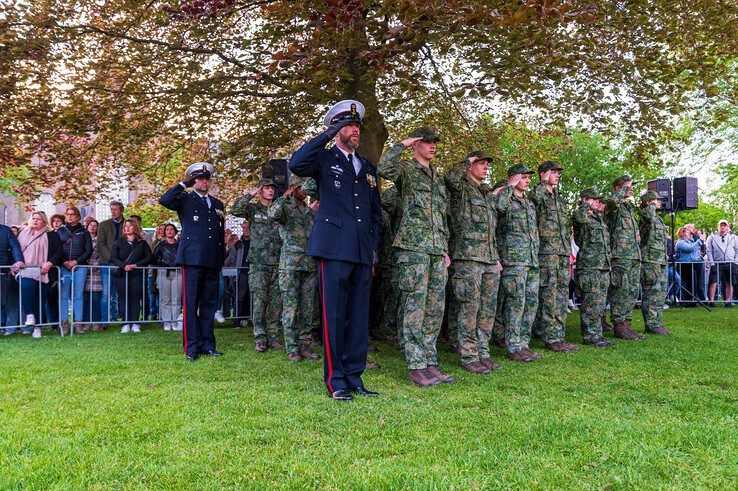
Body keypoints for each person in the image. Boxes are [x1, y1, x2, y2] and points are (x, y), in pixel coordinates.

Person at [289, 99, 382, 401]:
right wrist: (329, 134)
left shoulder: (367, 167)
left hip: (360, 251)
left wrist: (373, 249)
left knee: (358, 318)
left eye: (356, 126)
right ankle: (336, 380)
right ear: (337, 128)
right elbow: (296, 163)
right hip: (333, 249)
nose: (355, 131)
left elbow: (375, 214)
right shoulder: (325, 159)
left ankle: (355, 377)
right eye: (349, 126)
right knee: (334, 315)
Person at [378, 126, 454, 387]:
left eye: (435, 142)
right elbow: (383, 168)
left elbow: (440, 216)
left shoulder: (437, 176)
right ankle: (415, 364)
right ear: (416, 145)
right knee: (414, 308)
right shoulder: (406, 171)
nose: (433, 145)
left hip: (435, 249)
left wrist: (444, 249)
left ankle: (430, 362)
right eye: (427, 141)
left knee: (434, 309)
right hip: (412, 249)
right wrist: (402, 143)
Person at [444, 151, 502, 375]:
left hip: (488, 257)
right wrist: (467, 160)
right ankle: (468, 354)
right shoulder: (461, 188)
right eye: (481, 163)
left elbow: (491, 229)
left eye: (488, 164)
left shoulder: (486, 192)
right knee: (469, 307)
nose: (486, 167)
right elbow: (450, 178)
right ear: (469, 166)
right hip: (468, 256)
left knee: (487, 309)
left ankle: (483, 352)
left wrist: (495, 256)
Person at [159, 162, 225, 360]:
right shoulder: (185, 199)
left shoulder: (217, 203)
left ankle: (208, 345)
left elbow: (219, 234)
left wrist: (220, 258)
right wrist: (183, 184)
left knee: (209, 305)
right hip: (192, 258)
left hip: (212, 259)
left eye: (206, 179)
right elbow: (164, 200)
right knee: (190, 304)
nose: (204, 182)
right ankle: (191, 348)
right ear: (193, 180)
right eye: (199, 178)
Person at [268, 175, 321, 362]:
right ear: (293, 188)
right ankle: (292, 347)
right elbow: (272, 214)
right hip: (290, 265)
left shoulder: (309, 210)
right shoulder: (285, 207)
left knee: (308, 308)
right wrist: (284, 197)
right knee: (291, 307)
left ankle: (305, 344)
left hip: (309, 264)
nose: (305, 192)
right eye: (301, 189)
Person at [494, 164, 542, 362]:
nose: (528, 180)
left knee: (530, 303)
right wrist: (509, 187)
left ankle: (523, 343)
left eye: (529, 177)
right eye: (523, 177)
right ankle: (513, 346)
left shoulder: (529, 203)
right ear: (514, 178)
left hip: (531, 260)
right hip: (514, 260)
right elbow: (499, 208)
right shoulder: (506, 198)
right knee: (515, 304)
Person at [530, 161, 579, 353]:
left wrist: (566, 250)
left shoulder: (558, 197)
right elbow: (534, 198)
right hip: (546, 253)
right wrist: (542, 182)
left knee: (560, 296)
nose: (557, 175)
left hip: (560, 253)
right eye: (554, 172)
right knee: (549, 297)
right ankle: (551, 337)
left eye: (559, 172)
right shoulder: (539, 193)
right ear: (544, 174)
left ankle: (559, 335)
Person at [232, 178, 283, 352]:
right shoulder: (253, 209)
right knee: (260, 301)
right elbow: (236, 209)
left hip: (278, 261)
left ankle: (273, 336)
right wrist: (251, 193)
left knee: (276, 303)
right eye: (266, 188)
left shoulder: (279, 208)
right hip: (259, 263)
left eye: (272, 189)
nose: (270, 191)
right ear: (261, 190)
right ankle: (260, 337)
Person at [603, 175, 644, 340]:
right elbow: (612, 201)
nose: (631, 188)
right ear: (619, 188)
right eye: (628, 186)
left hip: (633, 255)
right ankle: (619, 325)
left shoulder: (627, 207)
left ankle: (626, 323)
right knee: (621, 291)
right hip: (620, 256)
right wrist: (622, 191)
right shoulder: (613, 205)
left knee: (631, 291)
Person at [572, 188, 614, 347]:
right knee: (590, 302)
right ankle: (590, 336)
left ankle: (597, 334)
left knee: (599, 303)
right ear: (585, 199)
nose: (598, 202)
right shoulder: (581, 215)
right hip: (590, 266)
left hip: (602, 265)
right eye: (594, 199)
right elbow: (579, 220)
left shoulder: (598, 218)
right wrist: (584, 205)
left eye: (598, 199)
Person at [16, 212, 63, 338]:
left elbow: (59, 252)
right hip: (27, 269)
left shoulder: (52, 235)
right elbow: (17, 250)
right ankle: (30, 315)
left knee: (40, 299)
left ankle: (38, 328)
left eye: (38, 219)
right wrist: (17, 262)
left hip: (44, 272)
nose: (35, 221)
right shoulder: (23, 233)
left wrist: (50, 263)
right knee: (27, 288)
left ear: (44, 221)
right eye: (34, 218)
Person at [56, 206, 93, 335]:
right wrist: (64, 262)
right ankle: (64, 324)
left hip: (79, 266)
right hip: (63, 266)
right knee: (64, 296)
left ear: (78, 217)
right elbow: (56, 249)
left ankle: (78, 323)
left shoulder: (84, 232)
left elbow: (89, 251)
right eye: (68, 214)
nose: (70, 216)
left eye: (73, 214)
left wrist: (75, 262)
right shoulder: (60, 231)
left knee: (78, 295)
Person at [111, 219, 152, 333]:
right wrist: (124, 266)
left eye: (129, 226)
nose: (127, 228)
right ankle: (125, 323)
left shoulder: (142, 243)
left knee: (135, 298)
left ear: (135, 227)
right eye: (125, 226)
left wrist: (136, 265)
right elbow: (113, 257)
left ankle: (135, 322)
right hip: (122, 275)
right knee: (124, 299)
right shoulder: (118, 242)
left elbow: (149, 257)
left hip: (137, 274)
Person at [638, 191, 671, 335]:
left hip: (660, 260)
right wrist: (650, 205)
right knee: (651, 293)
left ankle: (657, 322)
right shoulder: (646, 215)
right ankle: (650, 324)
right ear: (649, 202)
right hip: (650, 260)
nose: (659, 202)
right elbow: (648, 215)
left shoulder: (657, 218)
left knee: (660, 293)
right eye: (656, 200)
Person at [97, 201, 126, 323]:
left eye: (116, 209)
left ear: (121, 211)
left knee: (124, 294)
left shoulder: (127, 224)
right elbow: (100, 244)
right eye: (111, 209)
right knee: (106, 294)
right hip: (107, 263)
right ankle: (105, 321)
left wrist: (121, 261)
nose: (113, 212)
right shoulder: (104, 225)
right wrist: (112, 259)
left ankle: (125, 319)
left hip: (123, 264)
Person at [151, 223, 181, 331]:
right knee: (165, 299)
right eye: (167, 229)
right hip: (164, 272)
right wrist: (162, 262)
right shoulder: (160, 245)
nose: (169, 231)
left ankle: (175, 321)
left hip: (177, 273)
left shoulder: (180, 245)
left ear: (175, 231)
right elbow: (153, 259)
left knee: (176, 299)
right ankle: (167, 322)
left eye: (171, 229)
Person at [224, 221, 251, 326]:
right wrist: (234, 271)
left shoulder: (256, 242)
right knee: (239, 297)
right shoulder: (237, 244)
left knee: (252, 297)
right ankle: (236, 321)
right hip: (242, 273)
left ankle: (248, 318)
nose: (245, 230)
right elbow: (230, 260)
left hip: (255, 273)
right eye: (243, 228)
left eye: (247, 227)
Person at [706, 219, 737, 307]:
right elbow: (709, 251)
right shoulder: (711, 237)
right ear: (718, 227)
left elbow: (737, 250)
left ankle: (728, 301)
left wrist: (735, 262)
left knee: (729, 282)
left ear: (728, 227)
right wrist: (712, 263)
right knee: (713, 282)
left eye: (725, 225)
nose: (723, 227)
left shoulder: (733, 237)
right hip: (716, 263)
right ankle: (711, 301)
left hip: (730, 263)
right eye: (721, 225)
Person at [83, 219, 105, 332]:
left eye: (95, 226)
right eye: (90, 225)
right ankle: (86, 322)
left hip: (95, 272)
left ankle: (96, 322)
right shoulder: (83, 238)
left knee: (96, 298)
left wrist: (95, 266)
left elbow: (102, 256)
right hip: (82, 270)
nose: (92, 227)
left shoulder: (99, 240)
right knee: (86, 299)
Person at [675, 226, 706, 306]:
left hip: (690, 264)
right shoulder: (680, 243)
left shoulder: (690, 241)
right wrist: (700, 240)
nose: (690, 234)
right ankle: (687, 301)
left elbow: (696, 247)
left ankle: (693, 300)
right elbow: (690, 248)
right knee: (687, 283)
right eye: (688, 232)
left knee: (693, 283)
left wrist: (697, 237)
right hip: (684, 266)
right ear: (682, 234)